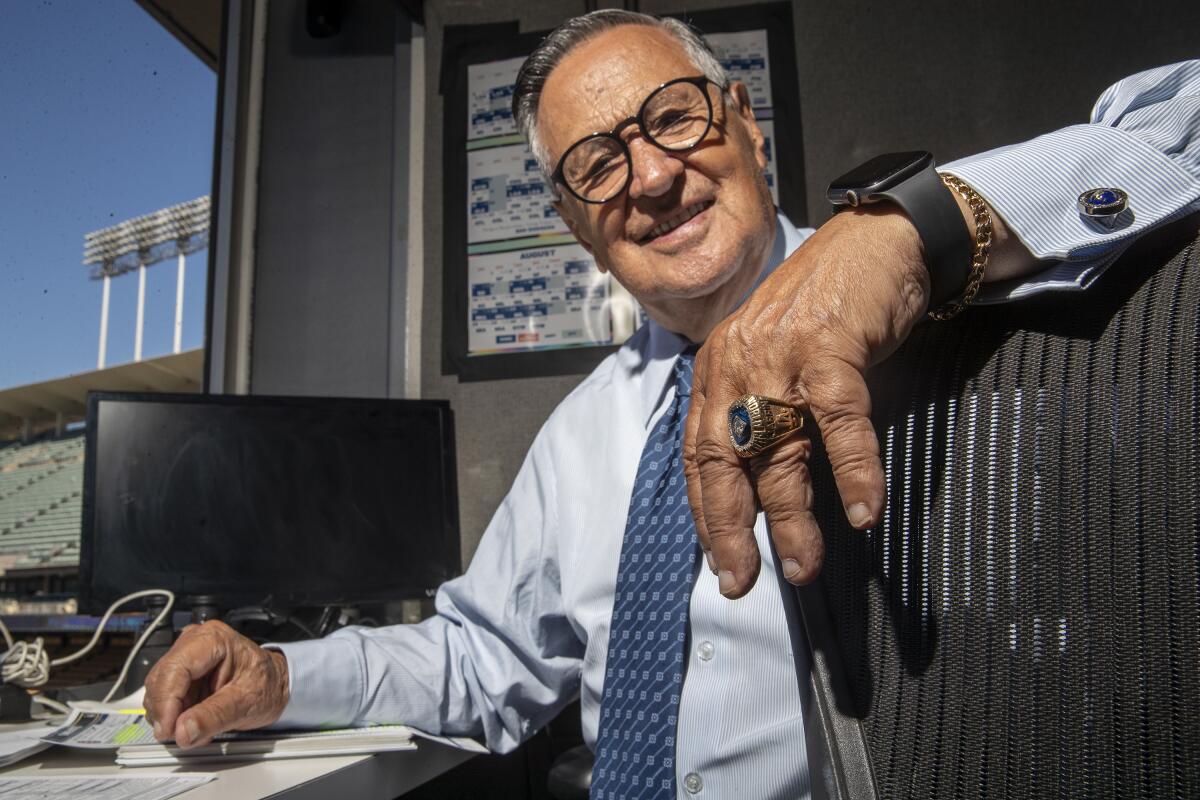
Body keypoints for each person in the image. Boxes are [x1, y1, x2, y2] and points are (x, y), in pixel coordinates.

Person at [143, 10, 1200, 798]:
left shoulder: (957, 289)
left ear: (741, 119)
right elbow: (482, 659)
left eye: (673, 118)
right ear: (572, 221)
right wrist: (283, 672)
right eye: (597, 164)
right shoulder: (582, 437)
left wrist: (916, 230)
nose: (649, 174)